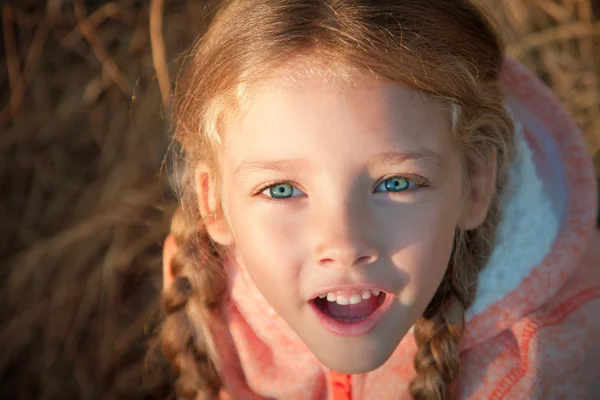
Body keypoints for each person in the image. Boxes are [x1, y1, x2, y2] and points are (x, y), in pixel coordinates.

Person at [158, 0, 600, 399]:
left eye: (395, 184)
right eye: (282, 190)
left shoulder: (547, 365)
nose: (344, 244)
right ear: (213, 203)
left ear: (475, 184)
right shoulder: (207, 283)